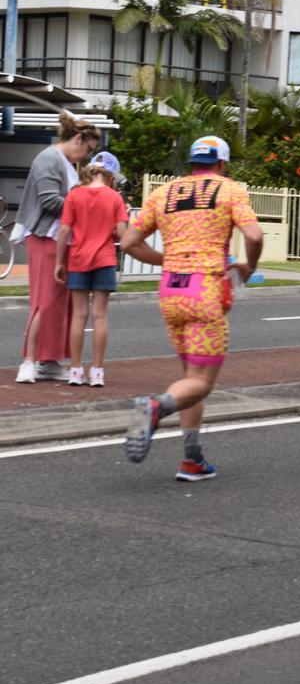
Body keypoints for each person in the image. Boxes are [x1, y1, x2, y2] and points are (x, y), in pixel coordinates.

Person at [120, 136, 264, 481]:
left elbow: (127, 242)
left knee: (190, 377)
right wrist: (249, 266)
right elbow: (255, 236)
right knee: (201, 382)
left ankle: (191, 460)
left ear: (191, 162)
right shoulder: (229, 190)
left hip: (171, 290)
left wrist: (168, 260)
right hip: (206, 289)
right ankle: (155, 407)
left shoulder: (163, 194)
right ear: (222, 164)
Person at [12, 113, 101, 383]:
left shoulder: (59, 161)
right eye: (87, 149)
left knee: (57, 303)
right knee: (46, 301)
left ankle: (48, 360)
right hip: (45, 236)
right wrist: (86, 205)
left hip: (54, 237)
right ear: (77, 139)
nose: (86, 156)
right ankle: (30, 361)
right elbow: (50, 201)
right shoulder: (50, 160)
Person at [54, 152, 129, 387]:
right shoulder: (115, 198)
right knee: (100, 316)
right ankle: (97, 371)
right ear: (112, 175)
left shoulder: (74, 196)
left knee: (78, 315)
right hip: (105, 260)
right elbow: (121, 234)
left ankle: (76, 369)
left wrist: (59, 262)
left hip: (77, 259)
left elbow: (64, 231)